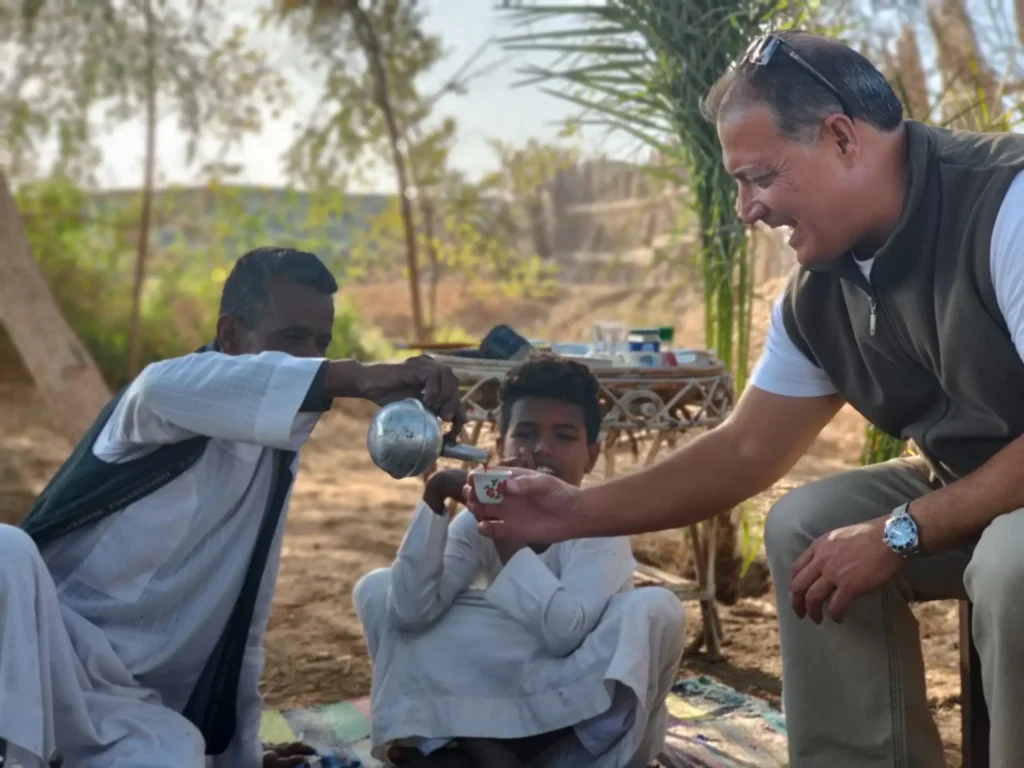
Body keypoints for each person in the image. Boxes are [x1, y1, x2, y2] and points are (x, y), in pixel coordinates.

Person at [463, 30, 1024, 768]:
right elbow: (746, 448)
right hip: (976, 488)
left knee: (1011, 563)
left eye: (758, 177)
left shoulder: (1005, 204)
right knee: (806, 527)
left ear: (841, 139)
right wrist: (572, 511)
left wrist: (901, 530)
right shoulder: (818, 294)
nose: (746, 210)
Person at [0, 246, 466, 768]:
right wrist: (359, 377)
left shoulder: (274, 460)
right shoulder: (159, 399)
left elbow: (242, 625)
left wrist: (244, 758)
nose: (311, 357)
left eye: (320, 343)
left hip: (118, 707)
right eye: (292, 338)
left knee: (174, 756)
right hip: (34, 649)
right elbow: (172, 387)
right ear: (229, 337)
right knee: (5, 552)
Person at [353, 357, 685, 768]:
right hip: (505, 682)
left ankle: (495, 751)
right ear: (501, 446)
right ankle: (476, 745)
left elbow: (564, 636)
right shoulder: (479, 516)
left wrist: (507, 533)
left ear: (592, 456)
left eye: (564, 437)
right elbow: (411, 612)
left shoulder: (600, 523)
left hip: (572, 698)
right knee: (378, 590)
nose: (542, 449)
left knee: (657, 610)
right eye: (525, 433)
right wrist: (437, 495)